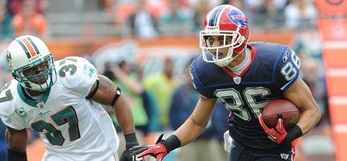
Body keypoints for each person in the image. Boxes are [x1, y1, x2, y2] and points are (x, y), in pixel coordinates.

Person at [129, 4, 321, 161]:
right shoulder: (206, 71)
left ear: (240, 37)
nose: (214, 47)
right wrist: (165, 145)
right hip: (241, 143)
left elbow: (312, 110)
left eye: (221, 39)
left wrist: (290, 136)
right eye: (210, 40)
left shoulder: (272, 62)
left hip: (274, 147)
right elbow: (197, 122)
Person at [0, 35, 141, 161]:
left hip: (99, 150)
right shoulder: (11, 102)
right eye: (31, 69)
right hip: (58, 155)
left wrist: (132, 144)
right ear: (17, 74)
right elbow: (16, 148)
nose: (40, 72)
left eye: (43, 64)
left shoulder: (71, 75)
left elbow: (116, 97)